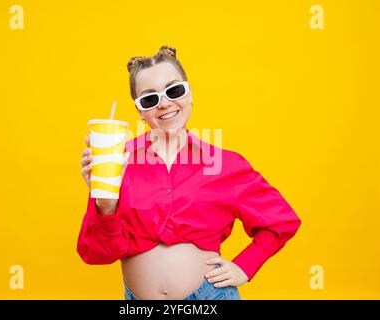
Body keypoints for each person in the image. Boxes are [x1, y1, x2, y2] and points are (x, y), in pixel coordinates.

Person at [77, 45, 301, 300]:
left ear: (190, 94)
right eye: (150, 99)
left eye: (174, 91)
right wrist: (105, 205)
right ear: (140, 110)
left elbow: (281, 221)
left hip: (210, 298)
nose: (165, 104)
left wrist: (246, 266)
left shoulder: (226, 164)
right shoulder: (116, 161)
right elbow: (96, 254)